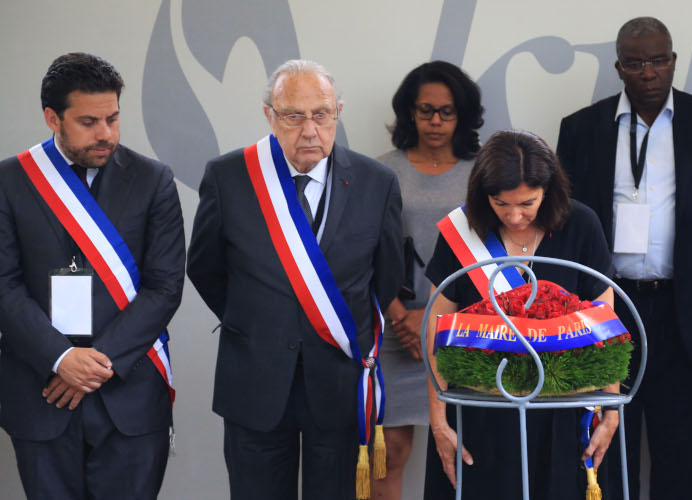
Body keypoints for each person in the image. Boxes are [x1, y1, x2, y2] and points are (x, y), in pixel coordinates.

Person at [186, 59, 402, 499]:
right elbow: (205, 268)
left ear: (337, 112)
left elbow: (386, 276)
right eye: (293, 115)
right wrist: (258, 320)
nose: (309, 129)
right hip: (255, 376)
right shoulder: (228, 177)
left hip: (339, 380)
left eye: (321, 114)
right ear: (270, 115)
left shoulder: (376, 181)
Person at [556, 16, 692, 499]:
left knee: (679, 458)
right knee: (604, 454)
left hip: (684, 313)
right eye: (637, 63)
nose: (649, 73)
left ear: (673, 62)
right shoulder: (581, 128)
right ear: (619, 67)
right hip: (606, 312)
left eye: (659, 60)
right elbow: (561, 232)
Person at [0, 52, 184, 499]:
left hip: (131, 394)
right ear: (52, 118)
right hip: (41, 392)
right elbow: (4, 284)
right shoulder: (10, 180)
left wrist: (93, 362)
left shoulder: (153, 180)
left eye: (113, 119)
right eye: (88, 122)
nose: (106, 134)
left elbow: (164, 288)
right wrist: (62, 359)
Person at [423, 130, 620, 499]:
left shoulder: (581, 224)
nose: (515, 216)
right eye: (501, 203)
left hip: (564, 413)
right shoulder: (460, 232)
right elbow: (436, 334)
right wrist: (438, 421)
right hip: (481, 413)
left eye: (528, 203)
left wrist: (611, 412)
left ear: (549, 190)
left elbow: (605, 328)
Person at [374, 60, 483, 500]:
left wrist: (433, 319)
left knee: (465, 451)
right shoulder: (380, 172)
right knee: (390, 451)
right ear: (409, 113)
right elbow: (365, 252)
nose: (435, 121)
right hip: (393, 330)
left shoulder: (483, 173)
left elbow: (494, 258)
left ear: (463, 115)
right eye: (425, 110)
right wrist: (402, 315)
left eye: (446, 111)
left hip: (465, 330)